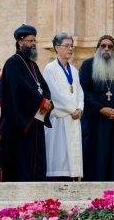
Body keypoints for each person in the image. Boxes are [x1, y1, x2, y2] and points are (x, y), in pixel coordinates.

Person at [0, 24, 52, 181]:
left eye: (35, 40)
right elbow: (20, 91)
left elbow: (43, 87)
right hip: (19, 124)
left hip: (35, 120)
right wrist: (41, 101)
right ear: (20, 42)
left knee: (37, 163)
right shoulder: (12, 63)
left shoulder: (33, 65)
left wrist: (48, 101)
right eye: (30, 41)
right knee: (21, 164)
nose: (34, 44)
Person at [79, 35, 114, 181]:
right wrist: (101, 109)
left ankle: (112, 194)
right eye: (103, 46)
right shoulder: (88, 65)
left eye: (110, 46)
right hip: (96, 122)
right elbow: (84, 91)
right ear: (98, 48)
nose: (106, 49)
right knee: (96, 157)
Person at [43, 32, 83, 180]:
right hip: (59, 118)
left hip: (73, 118)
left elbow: (80, 92)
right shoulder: (50, 68)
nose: (70, 49)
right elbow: (54, 94)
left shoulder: (73, 70)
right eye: (66, 45)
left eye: (71, 45)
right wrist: (72, 109)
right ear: (56, 47)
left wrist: (80, 108)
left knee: (72, 160)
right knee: (59, 155)